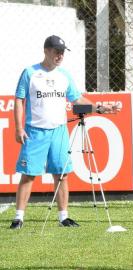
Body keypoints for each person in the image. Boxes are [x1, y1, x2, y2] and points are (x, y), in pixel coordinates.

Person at [10, 35, 118, 229]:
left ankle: (63, 217)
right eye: (56, 51)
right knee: (28, 175)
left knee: (62, 174)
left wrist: (100, 108)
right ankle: (18, 217)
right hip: (35, 131)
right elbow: (19, 99)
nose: (60, 55)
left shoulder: (65, 75)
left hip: (59, 131)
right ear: (46, 51)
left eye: (62, 52)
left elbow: (77, 100)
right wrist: (18, 128)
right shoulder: (30, 73)